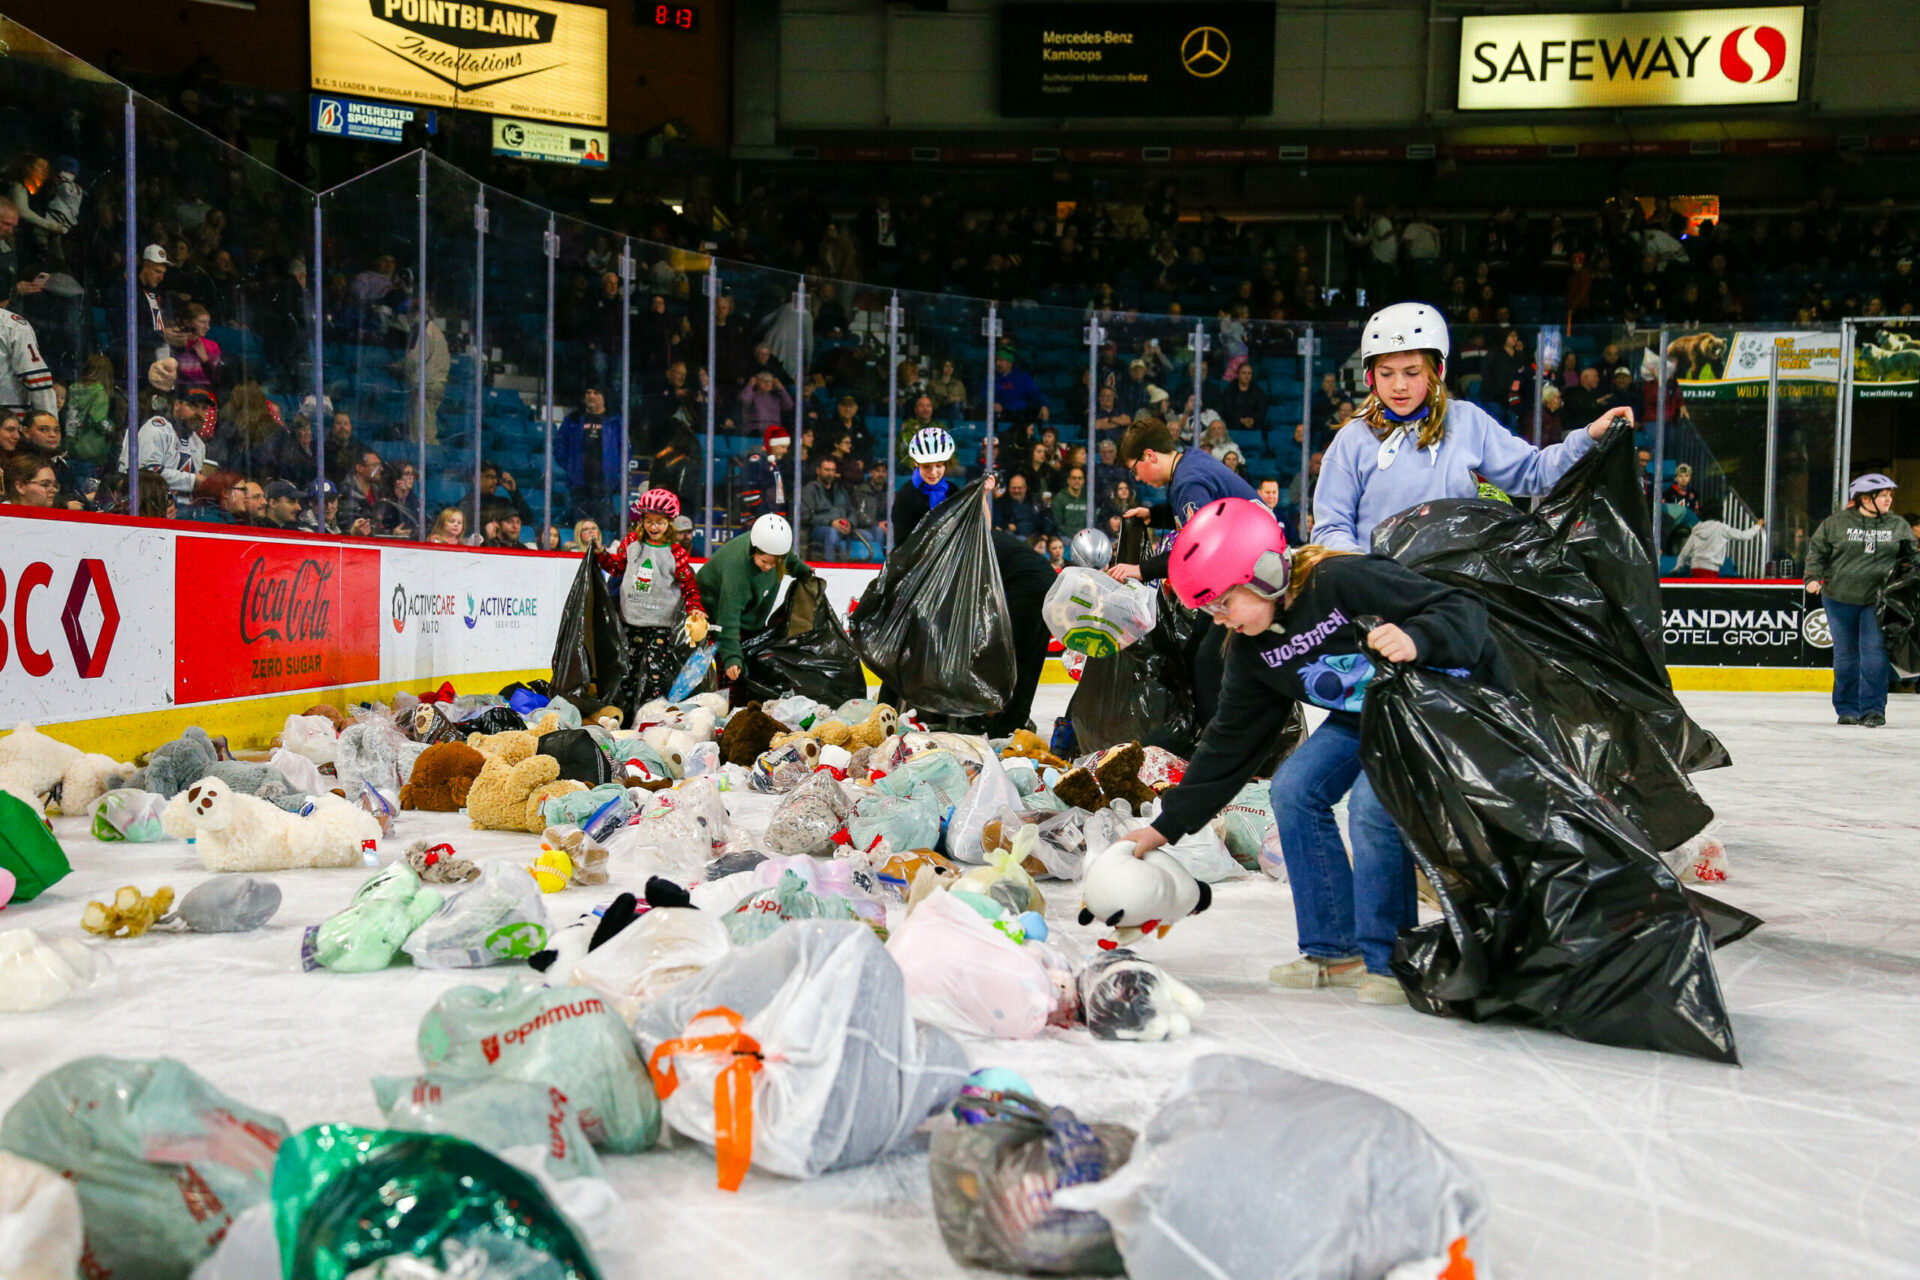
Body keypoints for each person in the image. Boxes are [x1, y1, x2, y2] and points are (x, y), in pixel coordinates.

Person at [1121, 498, 1510, 1005]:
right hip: (1367, 713)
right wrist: (1164, 826)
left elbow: (1462, 609)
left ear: (1261, 574)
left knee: (1374, 805)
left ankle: (1390, 960)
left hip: (1433, 702)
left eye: (1222, 603)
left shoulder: (1341, 581)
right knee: (1294, 787)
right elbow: (1228, 745)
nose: (1218, 620)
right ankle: (1335, 951)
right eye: (1209, 610)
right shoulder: (1251, 650)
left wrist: (1418, 637)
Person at [1312, 303, 1634, 555]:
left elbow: (1533, 472)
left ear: (1436, 371)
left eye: (1412, 372)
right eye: (1386, 373)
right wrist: (1366, 575)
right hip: (1377, 600)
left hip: (1452, 595)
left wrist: (1589, 434)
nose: (1398, 386)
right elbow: (1330, 529)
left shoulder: (1466, 422)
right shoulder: (1352, 439)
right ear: (1370, 377)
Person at [1807, 474, 1917, 727]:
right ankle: (1847, 708)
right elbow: (1817, 551)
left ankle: (1873, 710)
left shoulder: (1897, 525)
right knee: (1846, 655)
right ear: (1865, 499)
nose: (1889, 499)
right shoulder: (1836, 523)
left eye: (1890, 494)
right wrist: (1812, 577)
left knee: (1873, 654)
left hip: (1877, 602)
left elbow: (1912, 558)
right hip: (1838, 598)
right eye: (1883, 495)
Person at [599, 488, 709, 706]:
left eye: (659, 522)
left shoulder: (676, 552)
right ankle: (628, 714)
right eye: (648, 521)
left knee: (655, 674)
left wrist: (695, 608)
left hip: (660, 624)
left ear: (670, 522)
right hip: (630, 620)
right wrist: (601, 555)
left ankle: (652, 713)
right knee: (628, 672)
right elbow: (616, 568)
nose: (653, 527)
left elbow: (689, 585)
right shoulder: (631, 543)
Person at [696, 513, 811, 685]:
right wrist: (732, 657)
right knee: (731, 676)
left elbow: (789, 560)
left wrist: (804, 572)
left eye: (775, 563)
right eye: (764, 561)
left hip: (744, 618)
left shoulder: (775, 553)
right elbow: (728, 616)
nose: (768, 567)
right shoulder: (738, 571)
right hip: (712, 617)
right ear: (754, 550)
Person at [556, 386, 624, 524]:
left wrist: (614, 470)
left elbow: (625, 450)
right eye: (588, 392)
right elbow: (559, 446)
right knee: (580, 525)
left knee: (603, 525)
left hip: (605, 484)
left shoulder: (614, 421)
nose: (591, 396)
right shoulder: (573, 419)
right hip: (579, 484)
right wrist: (570, 467)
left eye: (596, 393)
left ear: (604, 397)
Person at [1673, 500, 1764, 578]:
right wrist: (1758, 525)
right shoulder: (1721, 528)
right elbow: (1744, 535)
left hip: (1695, 569)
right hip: (1711, 570)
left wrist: (1678, 566)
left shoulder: (1697, 528)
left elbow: (1685, 551)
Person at [801, 455, 860, 560]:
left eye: (833, 470)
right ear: (818, 471)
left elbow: (852, 511)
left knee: (869, 536)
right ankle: (832, 568)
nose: (830, 473)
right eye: (827, 470)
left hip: (844, 528)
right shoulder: (810, 489)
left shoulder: (841, 490)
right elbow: (806, 516)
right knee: (831, 533)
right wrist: (831, 522)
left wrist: (850, 523)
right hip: (819, 529)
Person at [739, 425, 791, 519]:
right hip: (759, 521)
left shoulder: (774, 463)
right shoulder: (756, 461)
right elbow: (749, 492)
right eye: (782, 447)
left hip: (774, 520)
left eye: (786, 447)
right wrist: (764, 513)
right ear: (771, 444)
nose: (785, 451)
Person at [1051, 463, 1091, 534]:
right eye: (1074, 478)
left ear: (1083, 481)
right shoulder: (1060, 498)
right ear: (1068, 480)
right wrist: (1073, 536)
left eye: (1080, 478)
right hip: (1066, 536)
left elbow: (1093, 520)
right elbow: (1058, 523)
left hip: (1085, 535)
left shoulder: (1088, 497)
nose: (1077, 480)